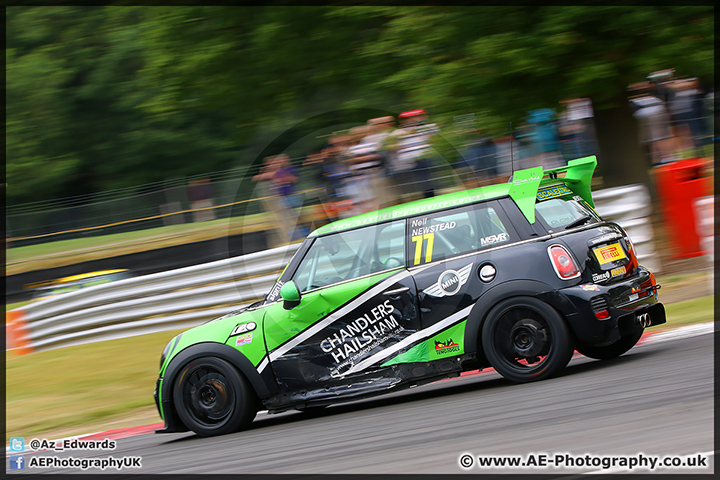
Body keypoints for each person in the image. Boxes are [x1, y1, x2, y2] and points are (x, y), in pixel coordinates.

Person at [390, 109, 439, 199]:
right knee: (418, 181)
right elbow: (392, 147)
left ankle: (430, 195)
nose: (415, 119)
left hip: (425, 158)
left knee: (425, 178)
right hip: (408, 162)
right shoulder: (397, 133)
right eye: (412, 118)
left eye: (417, 117)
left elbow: (434, 140)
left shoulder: (428, 128)